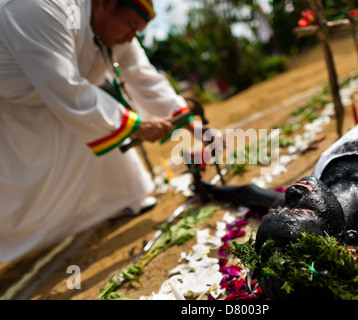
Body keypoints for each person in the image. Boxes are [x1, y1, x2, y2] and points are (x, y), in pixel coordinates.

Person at [0, 0, 214, 263]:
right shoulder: (38, 7)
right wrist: (137, 125)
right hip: (11, 106)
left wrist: (191, 124)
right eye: (130, 26)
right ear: (104, 3)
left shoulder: (116, 28)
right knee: (17, 185)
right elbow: (64, 85)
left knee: (94, 124)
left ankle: (112, 203)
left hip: (56, 96)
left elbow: (140, 73)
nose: (130, 37)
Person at [203, 75, 358, 264]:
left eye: (278, 208)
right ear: (348, 244)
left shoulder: (317, 195)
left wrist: (208, 189)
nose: (289, 196)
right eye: (302, 212)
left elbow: (252, 193)